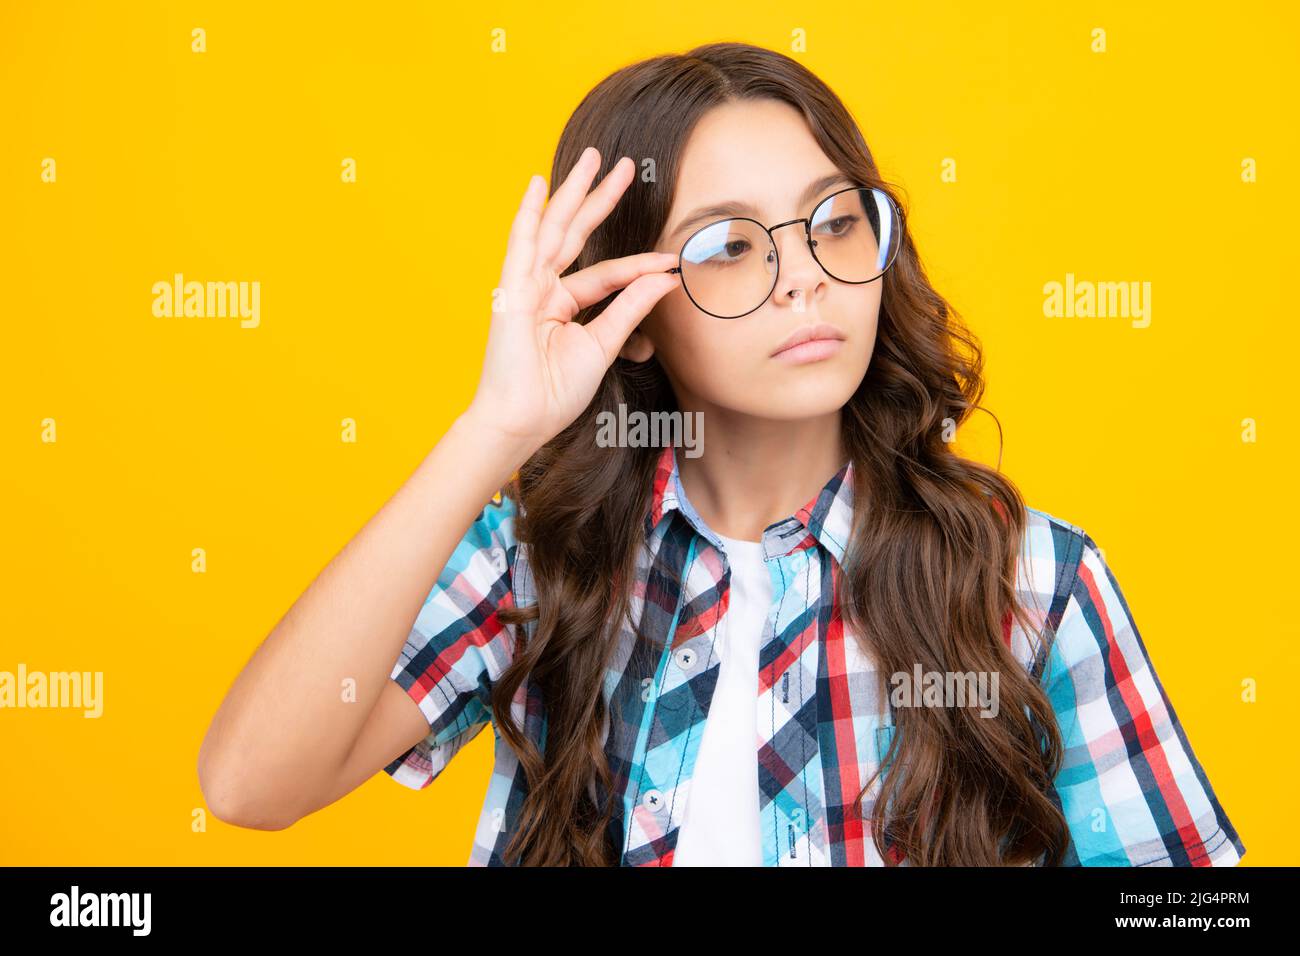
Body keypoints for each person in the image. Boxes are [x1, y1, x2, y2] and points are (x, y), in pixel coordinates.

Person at [197, 41, 1246, 868]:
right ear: (633, 307)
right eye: (728, 243)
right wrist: (494, 429)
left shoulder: (1028, 579)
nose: (803, 277)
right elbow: (250, 784)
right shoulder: (541, 556)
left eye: (831, 222)